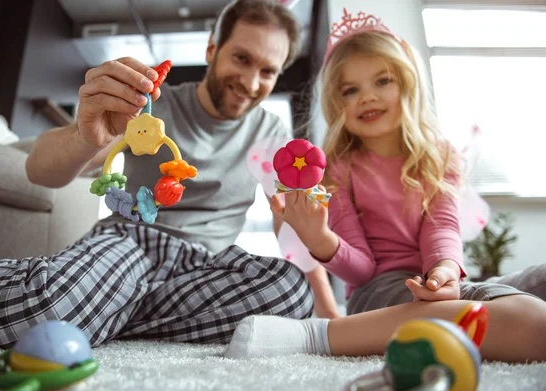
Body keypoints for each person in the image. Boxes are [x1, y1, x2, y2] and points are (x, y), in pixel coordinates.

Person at [0, 0, 315, 348]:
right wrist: (85, 136)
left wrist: (325, 311)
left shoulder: (272, 134)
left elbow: (290, 220)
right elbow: (38, 170)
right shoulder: (150, 106)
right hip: (132, 243)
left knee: (291, 292)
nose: (251, 83)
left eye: (268, 71)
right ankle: (88, 304)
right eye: (241, 58)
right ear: (211, 49)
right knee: (50, 307)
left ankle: (99, 310)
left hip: (205, 270)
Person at [223, 9, 546, 363]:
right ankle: (318, 335)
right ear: (337, 102)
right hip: (378, 294)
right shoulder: (338, 169)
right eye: (351, 89)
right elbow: (361, 269)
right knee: (532, 323)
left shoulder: (440, 156)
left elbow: (442, 228)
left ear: (407, 84)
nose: (367, 97)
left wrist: (444, 272)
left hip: (435, 281)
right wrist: (319, 240)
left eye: (383, 81)